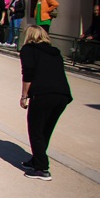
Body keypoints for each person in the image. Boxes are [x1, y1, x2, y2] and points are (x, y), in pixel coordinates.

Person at [19, 25, 72, 181]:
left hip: (43, 94)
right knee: (45, 130)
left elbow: (28, 73)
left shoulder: (28, 49)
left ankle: (42, 168)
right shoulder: (55, 52)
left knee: (35, 130)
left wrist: (24, 96)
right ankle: (36, 159)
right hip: (62, 95)